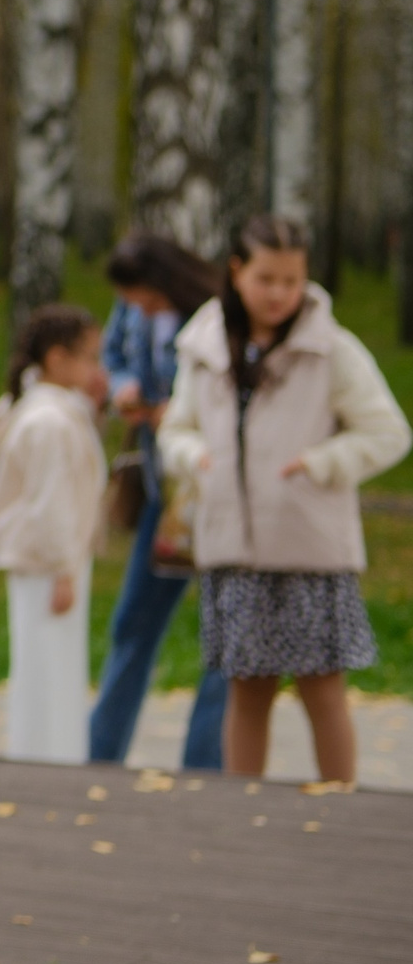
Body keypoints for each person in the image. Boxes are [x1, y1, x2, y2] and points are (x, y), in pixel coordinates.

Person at [157, 215, 409, 784]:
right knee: (247, 690)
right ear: (237, 272)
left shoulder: (332, 350)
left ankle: (339, 803)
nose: (279, 294)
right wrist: (195, 456)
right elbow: (175, 430)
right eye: (266, 279)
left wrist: (321, 463)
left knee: (323, 690)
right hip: (233, 549)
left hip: (310, 549)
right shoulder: (204, 347)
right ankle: (245, 806)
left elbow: (388, 432)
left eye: (291, 281)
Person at [86, 231, 230, 768]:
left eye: (144, 298)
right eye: (130, 301)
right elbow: (113, 357)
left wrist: (182, 414)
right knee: (132, 623)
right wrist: (123, 387)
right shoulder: (132, 311)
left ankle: (205, 765)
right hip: (160, 490)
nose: (138, 308)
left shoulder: (218, 317)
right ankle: (99, 754)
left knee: (224, 636)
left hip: (215, 493)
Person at [0, 304, 110, 764]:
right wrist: (63, 569)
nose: (97, 369)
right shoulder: (49, 421)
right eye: (89, 357)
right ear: (57, 358)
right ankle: (48, 759)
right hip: (49, 562)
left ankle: (47, 756)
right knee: (50, 669)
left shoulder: (44, 410)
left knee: (50, 665)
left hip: (49, 560)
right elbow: (51, 502)